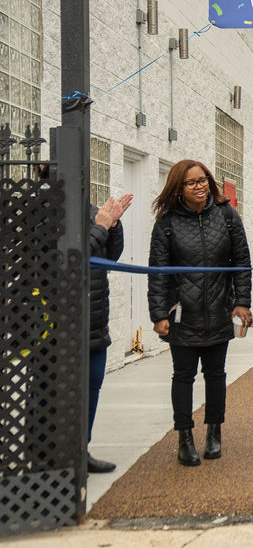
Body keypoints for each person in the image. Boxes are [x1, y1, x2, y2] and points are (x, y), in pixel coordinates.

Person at [148, 160, 252, 467]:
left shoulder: (227, 215)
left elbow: (241, 262)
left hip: (219, 311)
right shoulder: (167, 222)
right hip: (182, 315)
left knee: (216, 375)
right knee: (183, 376)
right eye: (191, 182)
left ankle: (214, 432)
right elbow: (157, 273)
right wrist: (158, 314)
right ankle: (184, 438)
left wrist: (242, 301)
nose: (199, 186)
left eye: (203, 180)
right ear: (178, 187)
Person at [86, 193, 133, 473]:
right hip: (60, 325)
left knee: (92, 386)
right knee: (57, 392)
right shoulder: (46, 212)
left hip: (96, 319)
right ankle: (49, 457)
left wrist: (113, 226)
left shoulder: (94, 212)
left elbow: (110, 256)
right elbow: (72, 259)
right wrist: (101, 226)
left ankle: (82, 448)